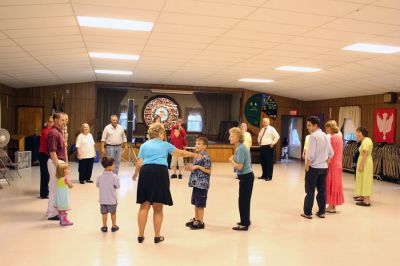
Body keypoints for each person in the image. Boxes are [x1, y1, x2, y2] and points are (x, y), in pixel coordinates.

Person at [132, 123, 200, 244]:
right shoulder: (165, 145)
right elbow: (180, 153)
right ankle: (157, 236)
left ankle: (140, 235)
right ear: (160, 134)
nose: (164, 135)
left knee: (144, 205)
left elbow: (139, 163)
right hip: (160, 173)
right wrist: (194, 154)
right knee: (158, 207)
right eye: (163, 133)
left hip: (146, 172)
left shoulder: (144, 145)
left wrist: (136, 174)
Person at [301, 116, 334, 219]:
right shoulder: (325, 135)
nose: (308, 127)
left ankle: (307, 213)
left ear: (315, 125)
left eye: (309, 125)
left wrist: (307, 166)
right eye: (307, 125)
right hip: (324, 168)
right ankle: (322, 212)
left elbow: (310, 154)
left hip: (313, 168)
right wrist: (326, 162)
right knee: (322, 190)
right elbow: (331, 153)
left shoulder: (313, 136)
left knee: (310, 190)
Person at [229, 127, 254, 231]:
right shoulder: (240, 147)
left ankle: (244, 224)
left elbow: (239, 166)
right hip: (245, 177)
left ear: (238, 137)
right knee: (244, 200)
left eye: (231, 136)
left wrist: (231, 161)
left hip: (246, 177)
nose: (229, 137)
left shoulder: (241, 148)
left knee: (243, 201)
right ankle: (245, 220)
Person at [184, 137, 211, 230]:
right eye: (196, 143)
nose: (196, 145)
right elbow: (195, 168)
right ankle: (196, 219)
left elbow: (209, 171)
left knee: (200, 204)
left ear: (205, 146)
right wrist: (191, 167)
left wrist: (198, 166)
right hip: (196, 184)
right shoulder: (197, 155)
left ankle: (201, 222)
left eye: (199, 144)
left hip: (202, 185)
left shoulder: (206, 157)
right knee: (196, 203)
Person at [47, 112, 67, 221]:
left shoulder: (58, 132)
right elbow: (52, 151)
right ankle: (52, 213)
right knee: (54, 188)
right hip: (55, 162)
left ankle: (51, 210)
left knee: (56, 188)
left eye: (65, 120)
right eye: (62, 120)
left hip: (58, 162)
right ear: (55, 120)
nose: (64, 122)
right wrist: (58, 165)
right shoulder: (54, 133)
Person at [96, 157, 120, 233]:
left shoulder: (99, 176)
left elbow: (97, 185)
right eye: (113, 164)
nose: (114, 166)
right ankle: (113, 226)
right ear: (110, 166)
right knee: (113, 213)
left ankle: (104, 226)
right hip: (112, 200)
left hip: (103, 200)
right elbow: (118, 186)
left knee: (104, 213)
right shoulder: (114, 176)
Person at [325, 120, 344, 213]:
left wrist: (326, 162)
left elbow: (331, 153)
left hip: (332, 164)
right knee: (336, 184)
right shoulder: (340, 137)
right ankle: (333, 205)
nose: (326, 129)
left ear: (330, 127)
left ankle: (331, 206)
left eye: (327, 127)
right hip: (338, 163)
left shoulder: (333, 138)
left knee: (331, 183)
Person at [354, 127, 373, 207]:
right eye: (357, 132)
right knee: (361, 179)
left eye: (359, 132)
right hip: (364, 162)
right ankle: (362, 196)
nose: (357, 134)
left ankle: (366, 201)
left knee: (366, 180)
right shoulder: (365, 140)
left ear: (363, 132)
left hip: (365, 163)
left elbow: (365, 154)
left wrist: (361, 165)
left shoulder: (366, 141)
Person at [38, 116, 54, 199]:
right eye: (50, 122)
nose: (51, 123)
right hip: (44, 154)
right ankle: (43, 194)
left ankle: (47, 190)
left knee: (48, 174)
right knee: (44, 174)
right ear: (47, 122)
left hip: (49, 154)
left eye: (53, 122)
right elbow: (48, 144)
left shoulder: (52, 131)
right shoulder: (45, 131)